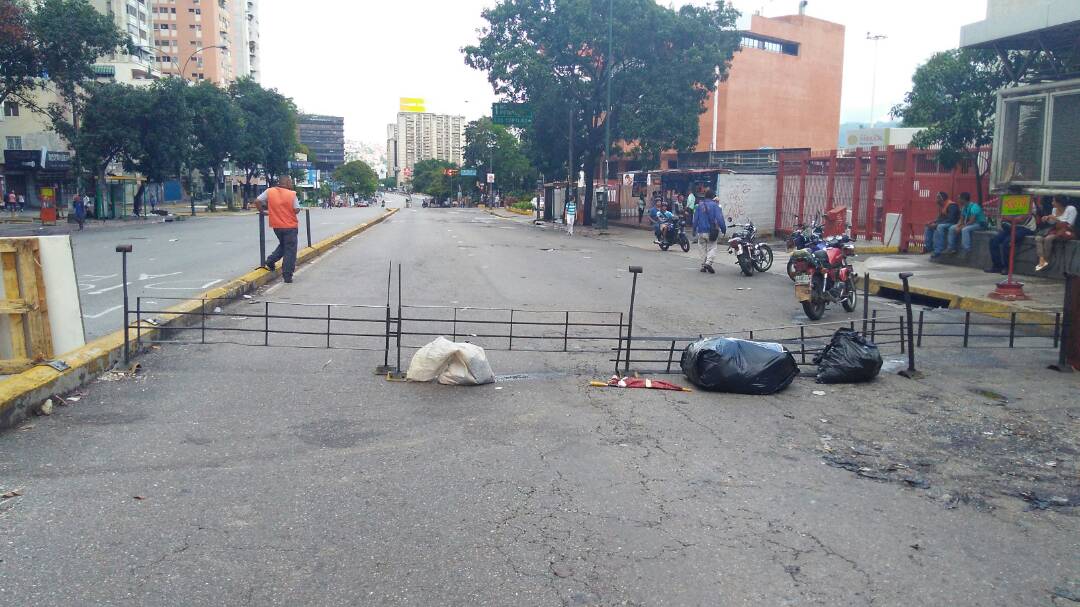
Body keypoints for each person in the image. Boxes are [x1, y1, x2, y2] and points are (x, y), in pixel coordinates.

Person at [256, 176, 301, 283]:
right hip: (290, 226)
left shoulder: (269, 191)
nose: (292, 184)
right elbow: (296, 209)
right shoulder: (291, 194)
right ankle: (287, 275)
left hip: (276, 225)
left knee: (284, 245)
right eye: (291, 182)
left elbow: (257, 201)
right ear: (287, 183)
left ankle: (271, 260)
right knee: (290, 250)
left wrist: (263, 211)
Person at [986, 198, 1039, 274]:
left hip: (1026, 228)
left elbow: (1021, 219)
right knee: (994, 241)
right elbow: (1003, 215)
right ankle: (997, 266)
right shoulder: (1009, 201)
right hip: (1012, 226)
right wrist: (1010, 218)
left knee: (1007, 242)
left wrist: (1009, 217)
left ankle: (1007, 268)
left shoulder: (1028, 202)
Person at [1035, 196, 1076, 271]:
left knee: (1048, 239)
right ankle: (1041, 259)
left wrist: (1056, 219)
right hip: (1055, 229)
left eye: (1054, 201)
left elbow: (1070, 224)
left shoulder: (1071, 209)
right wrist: (1047, 219)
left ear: (1059, 203)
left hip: (1066, 230)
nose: (1052, 203)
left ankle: (1046, 260)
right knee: (1038, 238)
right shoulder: (1054, 209)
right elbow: (1052, 223)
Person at [693, 188, 725, 273]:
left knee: (702, 248)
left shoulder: (699, 205)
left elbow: (695, 219)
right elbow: (720, 218)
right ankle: (708, 263)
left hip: (701, 231)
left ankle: (704, 265)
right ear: (713, 196)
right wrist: (723, 229)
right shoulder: (715, 206)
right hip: (711, 231)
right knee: (712, 247)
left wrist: (693, 230)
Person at [924, 192, 959, 257]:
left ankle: (938, 250)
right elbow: (940, 218)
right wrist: (932, 222)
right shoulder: (942, 206)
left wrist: (936, 224)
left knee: (939, 227)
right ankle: (928, 247)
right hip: (945, 223)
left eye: (937, 198)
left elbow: (951, 219)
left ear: (942, 198)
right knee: (928, 226)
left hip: (953, 223)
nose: (936, 199)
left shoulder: (952, 206)